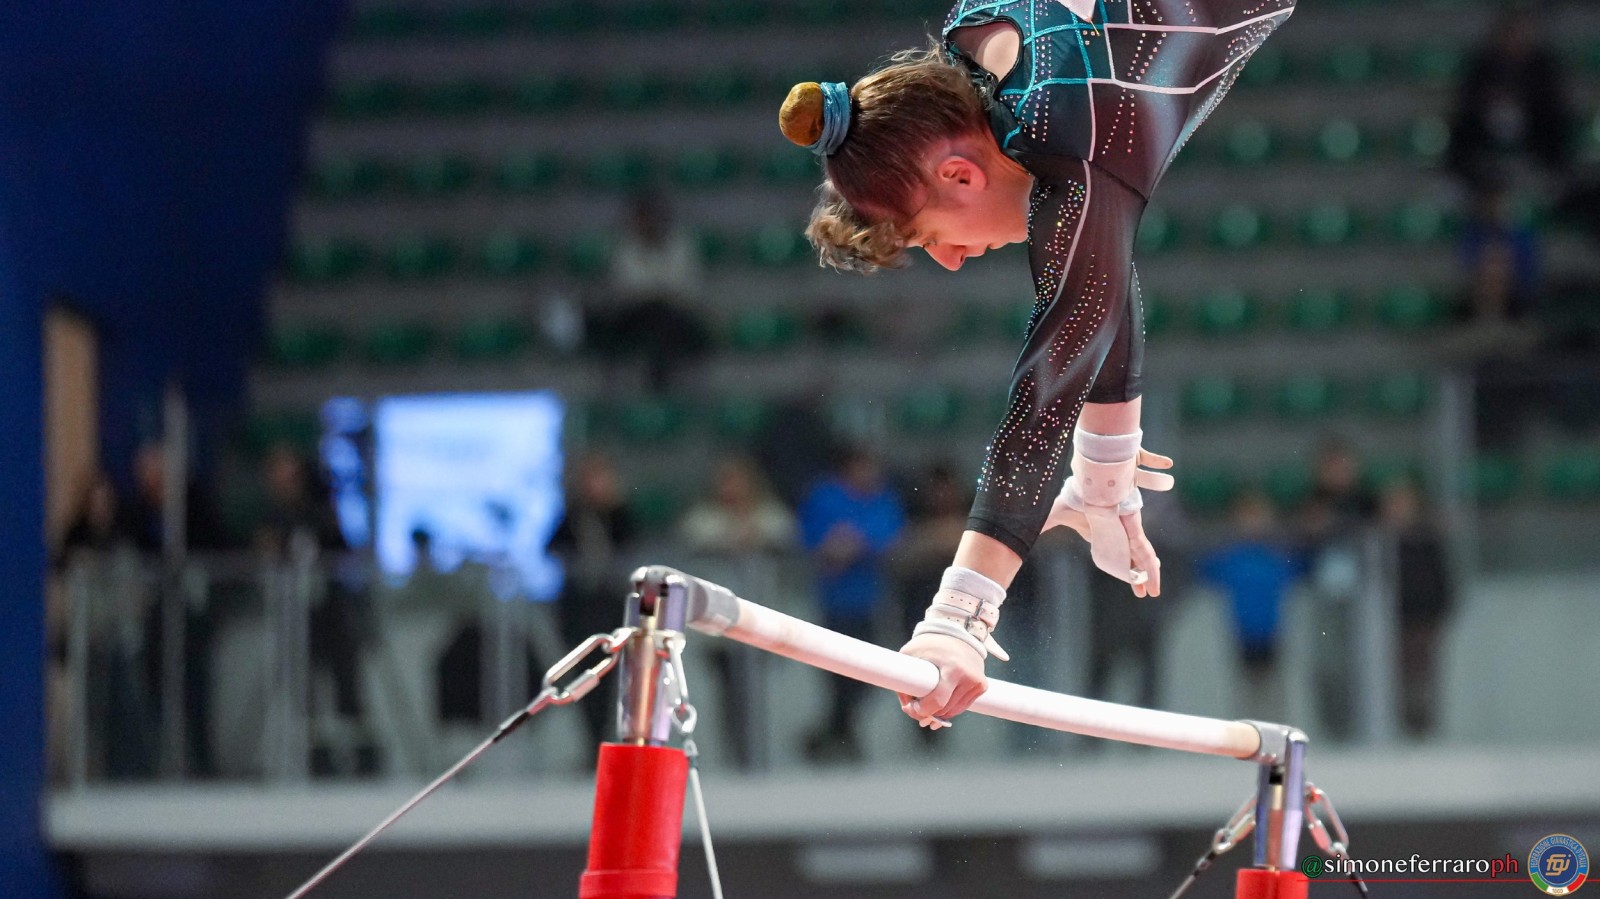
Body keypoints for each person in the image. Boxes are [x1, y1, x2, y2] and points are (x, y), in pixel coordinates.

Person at [775, 0, 1294, 727]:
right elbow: (1096, 271)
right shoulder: (974, 40)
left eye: (930, 237)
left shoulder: (1073, 133)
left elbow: (1049, 386)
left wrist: (960, 616)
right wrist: (1105, 476)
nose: (952, 261)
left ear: (959, 176)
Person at [678, 455, 799, 769]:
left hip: (763, 620)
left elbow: (783, 535)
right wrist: (732, 538)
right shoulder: (705, 518)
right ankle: (736, 754)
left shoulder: (769, 514)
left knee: (758, 694)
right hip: (720, 627)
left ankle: (762, 755)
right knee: (729, 694)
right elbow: (696, 540)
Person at [798, 447, 905, 761]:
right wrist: (836, 546)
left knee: (870, 674)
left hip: (871, 601)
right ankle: (841, 735)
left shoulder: (881, 497)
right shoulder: (825, 496)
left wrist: (856, 542)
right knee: (838, 676)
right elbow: (811, 537)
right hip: (834, 602)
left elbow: (892, 536)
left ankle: (833, 732)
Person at [1197, 490, 1304, 721]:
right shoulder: (1229, 557)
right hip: (1241, 632)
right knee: (1246, 691)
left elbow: (1299, 571)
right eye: (1247, 517)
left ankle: (1277, 729)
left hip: (1272, 632)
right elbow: (1203, 572)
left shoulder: (1278, 555)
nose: (1252, 523)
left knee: (1274, 691)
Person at [1376, 478, 1453, 739]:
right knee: (1396, 674)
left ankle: (1423, 726)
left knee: (1422, 673)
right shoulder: (1380, 541)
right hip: (1391, 620)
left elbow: (1442, 579)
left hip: (1422, 617)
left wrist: (1439, 611)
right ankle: (1400, 725)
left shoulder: (1426, 539)